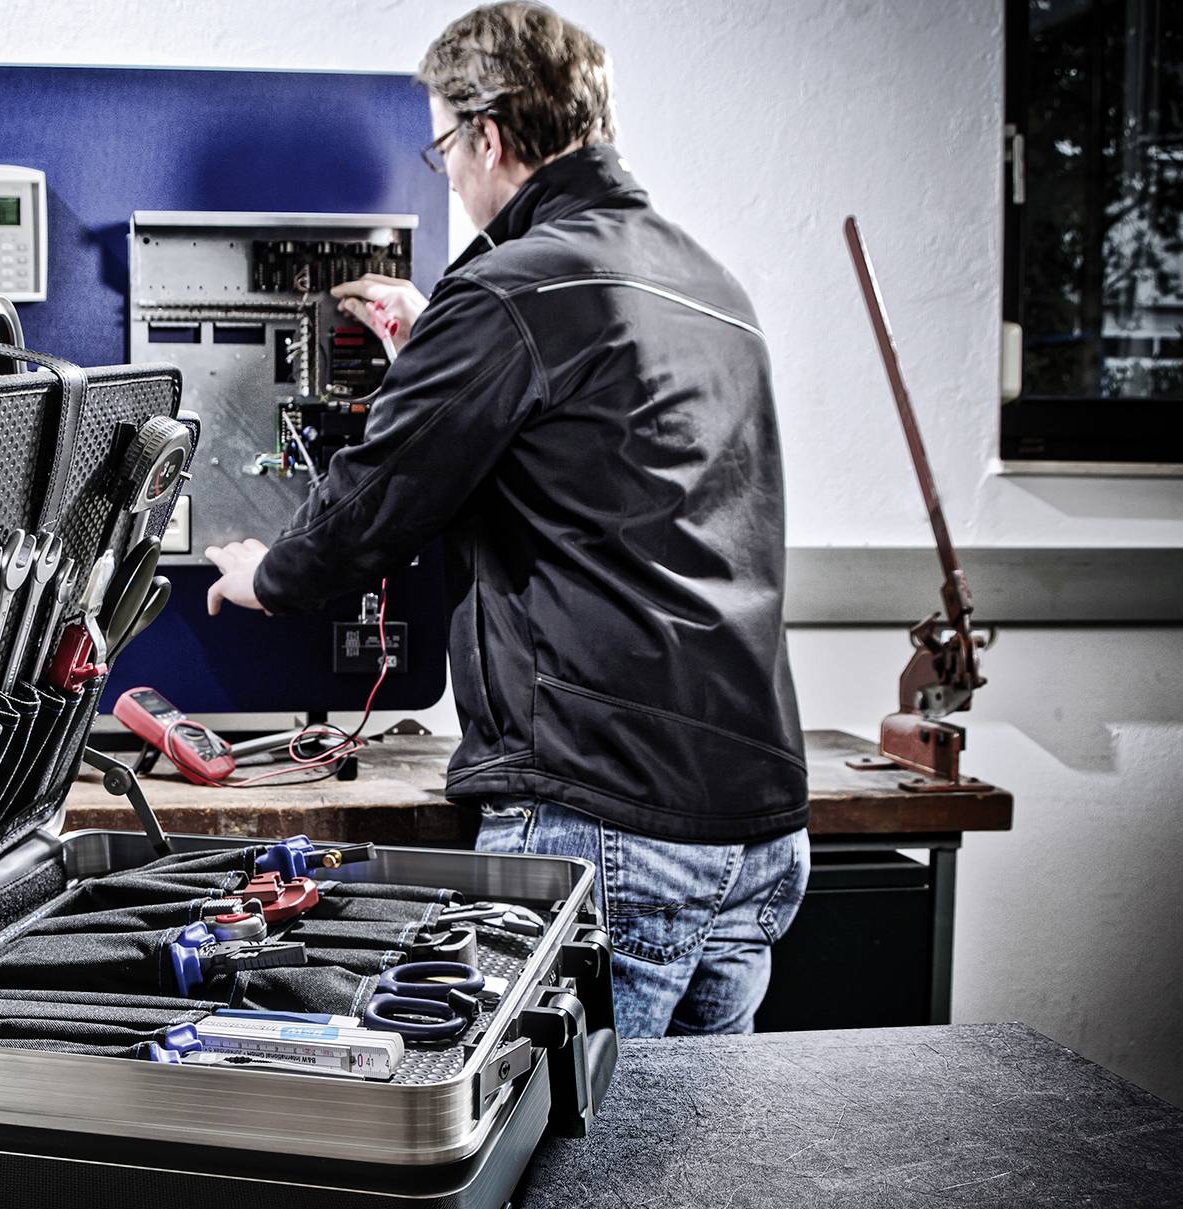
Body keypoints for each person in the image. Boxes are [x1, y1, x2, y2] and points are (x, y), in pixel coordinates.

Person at [204, 1, 809, 1038]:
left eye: (442, 146)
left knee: (559, 1177)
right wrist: (431, 356)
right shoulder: (709, 283)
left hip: (606, 812)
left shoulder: (511, 288)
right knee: (696, 1193)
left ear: (487, 134)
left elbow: (376, 499)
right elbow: (593, 477)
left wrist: (267, 575)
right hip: (756, 827)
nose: (445, 172)